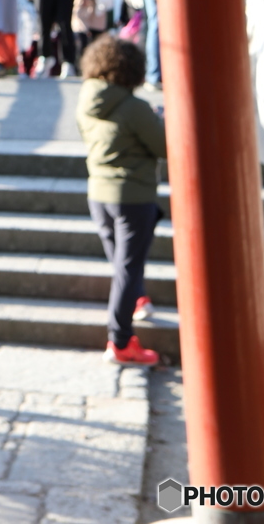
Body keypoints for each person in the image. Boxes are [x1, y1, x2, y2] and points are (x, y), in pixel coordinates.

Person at [76, 34, 166, 367]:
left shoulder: (86, 100)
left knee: (122, 265)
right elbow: (165, 148)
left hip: (98, 193)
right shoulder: (135, 108)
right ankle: (121, 341)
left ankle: (136, 301)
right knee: (128, 268)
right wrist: (161, 122)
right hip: (133, 195)